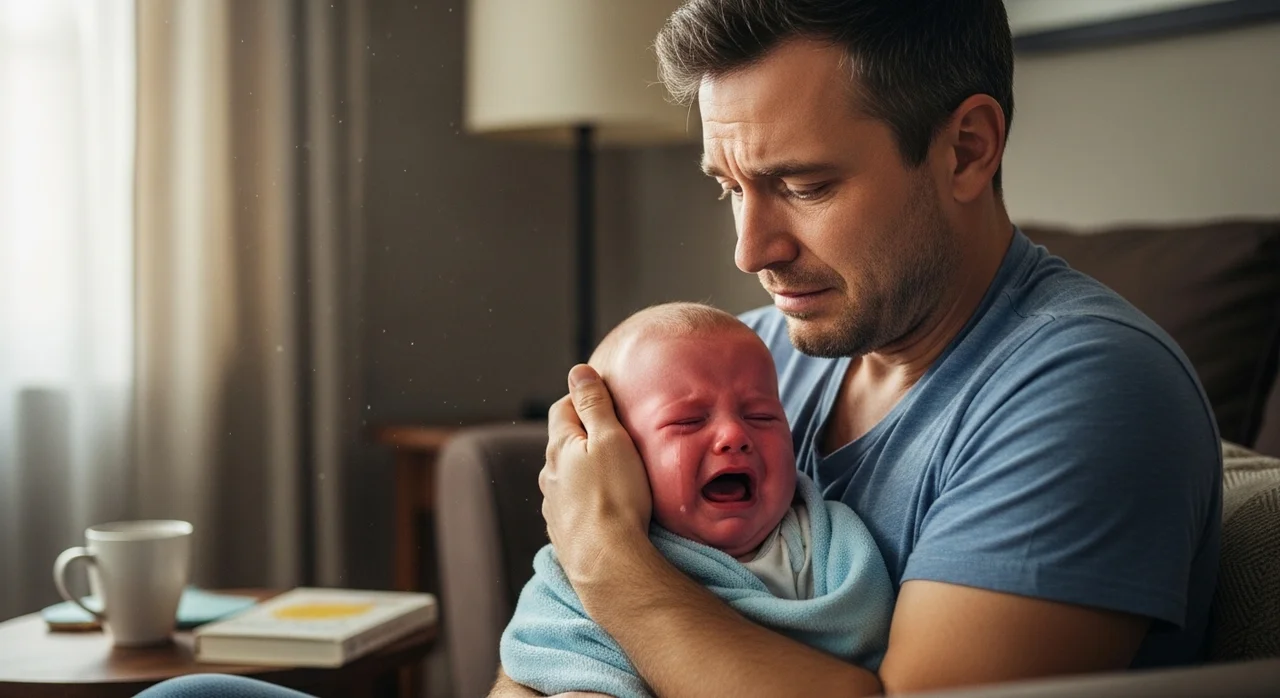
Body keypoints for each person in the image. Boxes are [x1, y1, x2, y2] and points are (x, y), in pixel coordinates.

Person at [495, 0, 1222, 696]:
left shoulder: (1088, 391)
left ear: (967, 149)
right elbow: (542, 657)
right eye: (730, 188)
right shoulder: (748, 359)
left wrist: (605, 558)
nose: (751, 251)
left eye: (804, 186)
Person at [500, 303, 893, 698]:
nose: (733, 435)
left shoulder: (826, 544)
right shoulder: (577, 557)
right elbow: (552, 655)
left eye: (761, 416)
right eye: (688, 421)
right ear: (616, 455)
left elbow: (863, 637)